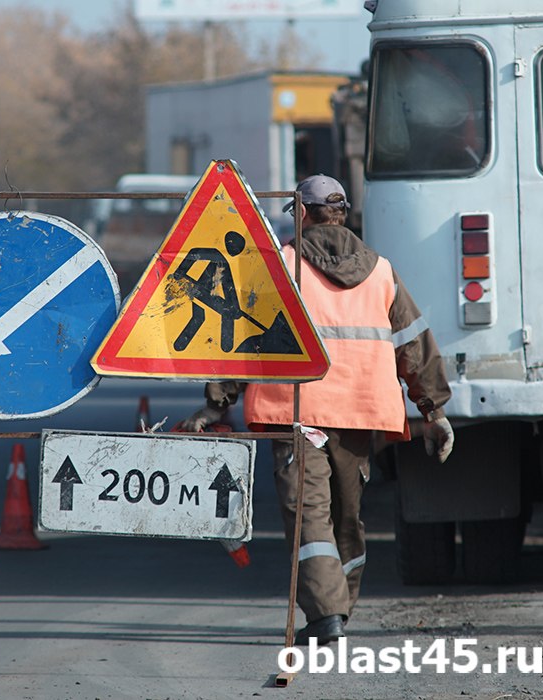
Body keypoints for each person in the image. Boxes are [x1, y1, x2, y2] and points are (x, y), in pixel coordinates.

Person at [178, 174, 455, 646]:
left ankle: (328, 614)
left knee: (309, 515)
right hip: (361, 415)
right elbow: (415, 344)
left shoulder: (281, 267)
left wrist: (215, 402)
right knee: (348, 517)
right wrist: (433, 410)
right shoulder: (381, 270)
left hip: (294, 411)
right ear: (341, 213)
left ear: (302, 213)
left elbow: (244, 341)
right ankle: (337, 608)